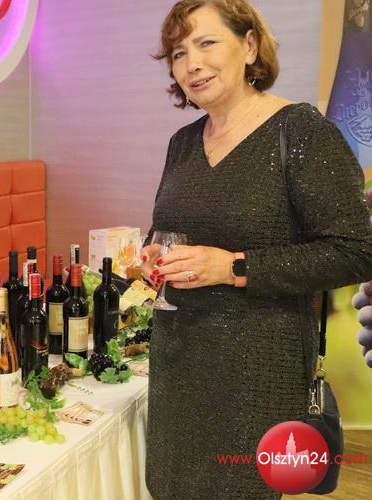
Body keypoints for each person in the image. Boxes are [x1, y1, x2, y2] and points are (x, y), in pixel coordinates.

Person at [141, 1, 372, 497]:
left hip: (256, 367)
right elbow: (167, 229)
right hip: (178, 361)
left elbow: (356, 249)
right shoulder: (183, 143)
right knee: (169, 486)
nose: (192, 64)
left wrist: (234, 267)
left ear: (249, 47)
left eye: (206, 43)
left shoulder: (301, 131)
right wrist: (152, 256)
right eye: (178, 54)